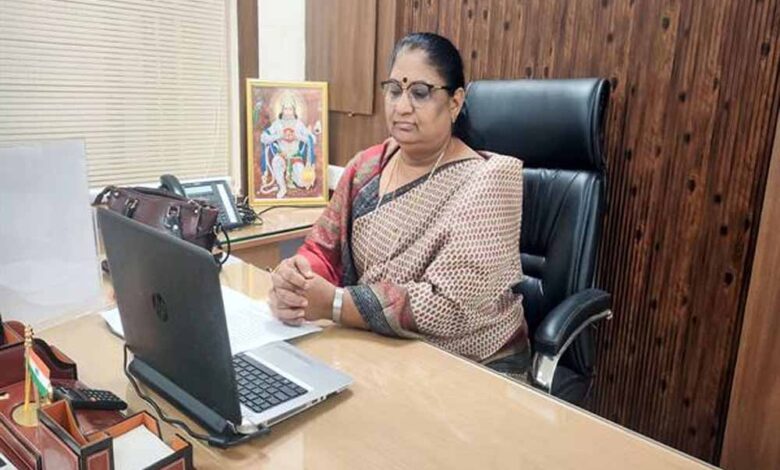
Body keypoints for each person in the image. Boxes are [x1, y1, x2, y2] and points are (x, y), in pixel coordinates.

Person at [269, 32, 529, 376]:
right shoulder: (366, 168)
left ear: (455, 102)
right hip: (379, 348)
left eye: (420, 93)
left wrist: (334, 303)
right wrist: (297, 282)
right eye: (394, 90)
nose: (402, 107)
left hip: (473, 364)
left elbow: (445, 306)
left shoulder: (488, 181)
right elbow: (322, 249)